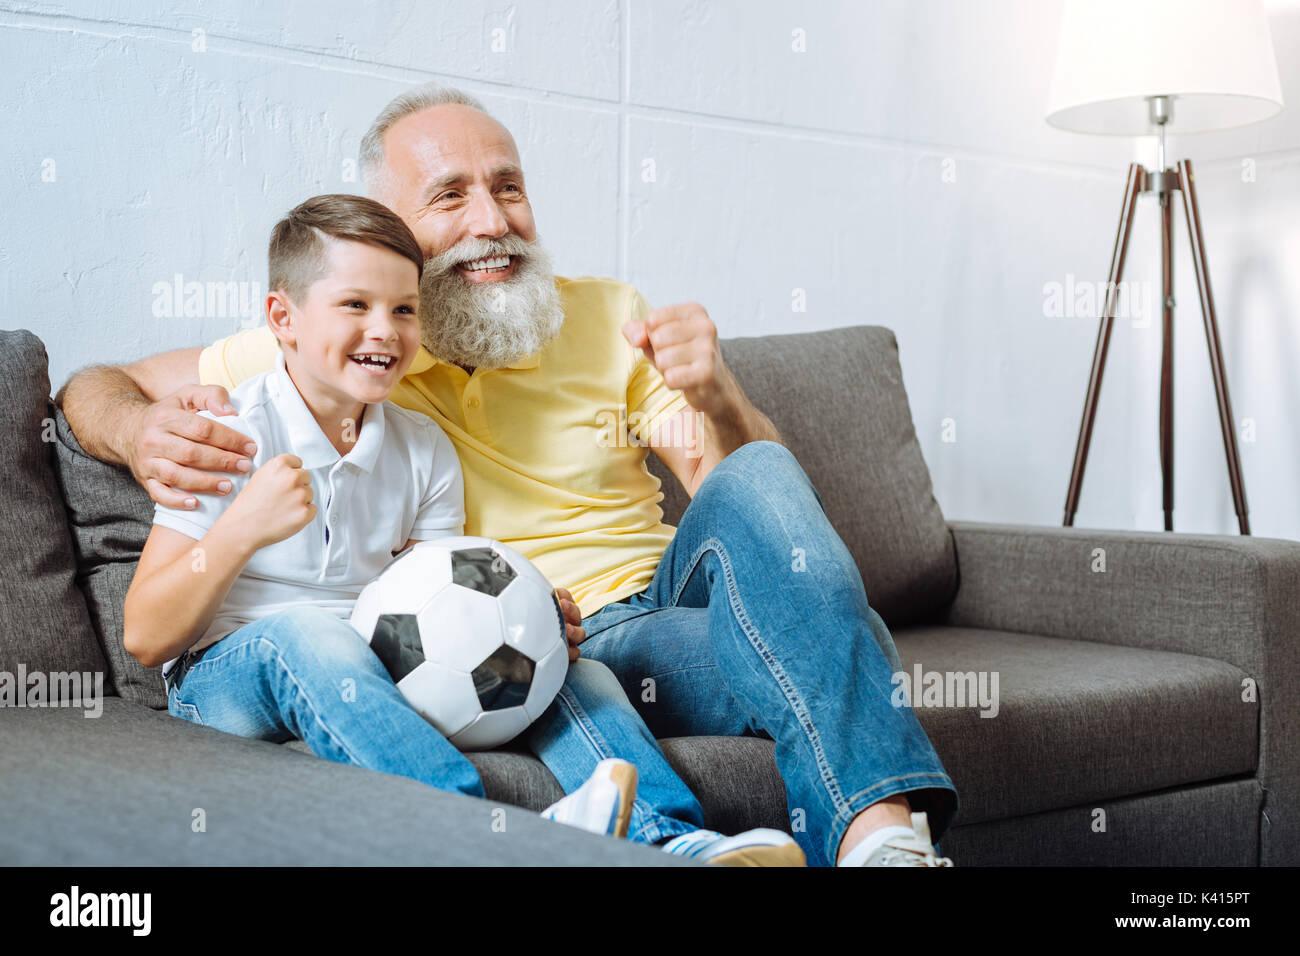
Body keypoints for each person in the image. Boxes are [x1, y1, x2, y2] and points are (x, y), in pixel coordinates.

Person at [61, 83, 958, 867]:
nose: (491, 221)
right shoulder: (347, 343)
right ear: (387, 234)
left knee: (783, 513)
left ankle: (880, 846)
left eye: (508, 188)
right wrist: (141, 431)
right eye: (449, 196)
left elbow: (739, 497)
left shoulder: (608, 315)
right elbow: (98, 386)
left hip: (658, 615)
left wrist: (718, 394)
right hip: (547, 641)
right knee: (842, 645)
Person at [120, 193, 802, 865]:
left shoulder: (421, 448)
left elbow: (435, 588)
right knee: (309, 632)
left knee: (559, 662)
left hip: (371, 657)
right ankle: (470, 840)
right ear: (283, 317)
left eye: (404, 309)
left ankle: (667, 842)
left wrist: (528, 609)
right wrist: (241, 529)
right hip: (226, 677)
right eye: (355, 305)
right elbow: (146, 638)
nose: (384, 330)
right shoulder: (225, 438)